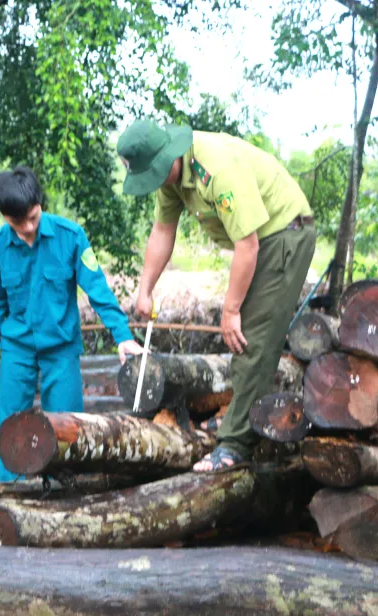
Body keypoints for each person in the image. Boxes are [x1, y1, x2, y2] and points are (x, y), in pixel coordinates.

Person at [116, 118, 316, 472]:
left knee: (249, 337)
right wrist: (144, 289)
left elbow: (248, 245)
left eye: (156, 173)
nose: (156, 182)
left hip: (284, 235)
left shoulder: (217, 167)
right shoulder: (171, 177)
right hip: (258, 242)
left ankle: (236, 445)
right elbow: (163, 230)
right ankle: (239, 417)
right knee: (242, 335)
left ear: (169, 155)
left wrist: (231, 308)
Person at [0, 166, 145, 482]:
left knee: (67, 426)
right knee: (9, 426)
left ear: (40, 205)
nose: (27, 228)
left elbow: (97, 289)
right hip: (17, 349)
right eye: (18, 222)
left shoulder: (71, 237)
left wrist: (121, 335)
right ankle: (12, 494)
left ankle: (61, 494)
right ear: (4, 217)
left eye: (33, 218)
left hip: (61, 349)